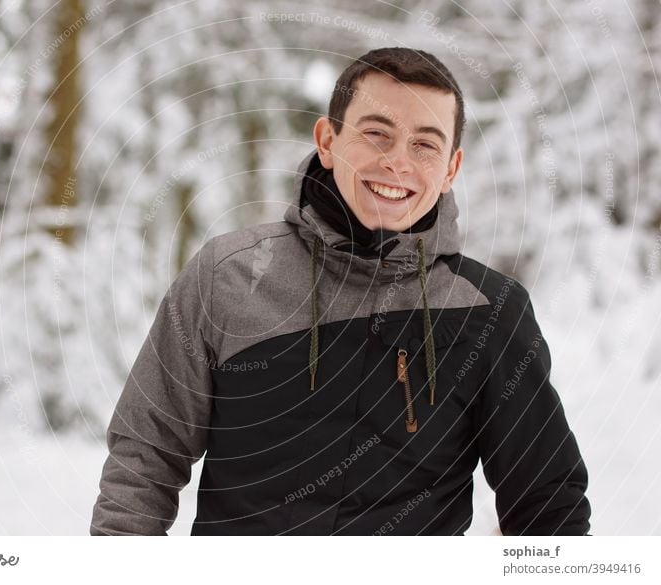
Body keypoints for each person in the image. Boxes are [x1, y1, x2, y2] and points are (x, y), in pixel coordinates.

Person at [90, 47, 591, 536]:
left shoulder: (488, 310)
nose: (397, 162)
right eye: (376, 134)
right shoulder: (228, 276)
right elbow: (145, 456)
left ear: (451, 169)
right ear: (327, 141)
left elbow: (548, 505)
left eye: (424, 144)